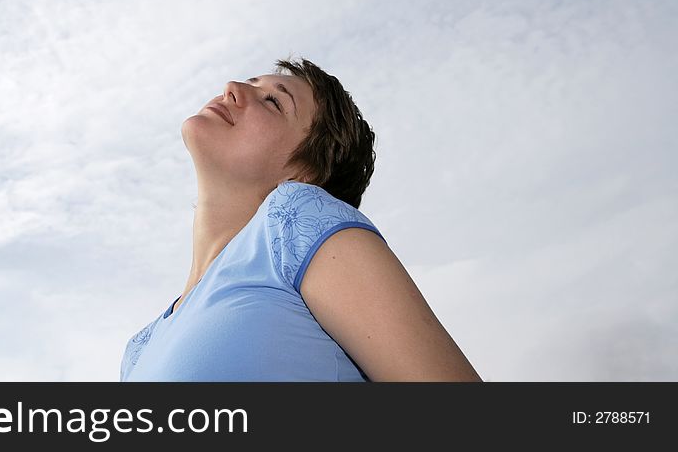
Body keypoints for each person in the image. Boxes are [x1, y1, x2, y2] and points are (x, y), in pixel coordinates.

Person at [120, 55, 482, 381]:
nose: (232, 88)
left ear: (307, 171)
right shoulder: (139, 349)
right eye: (249, 82)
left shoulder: (297, 220)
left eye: (273, 101)